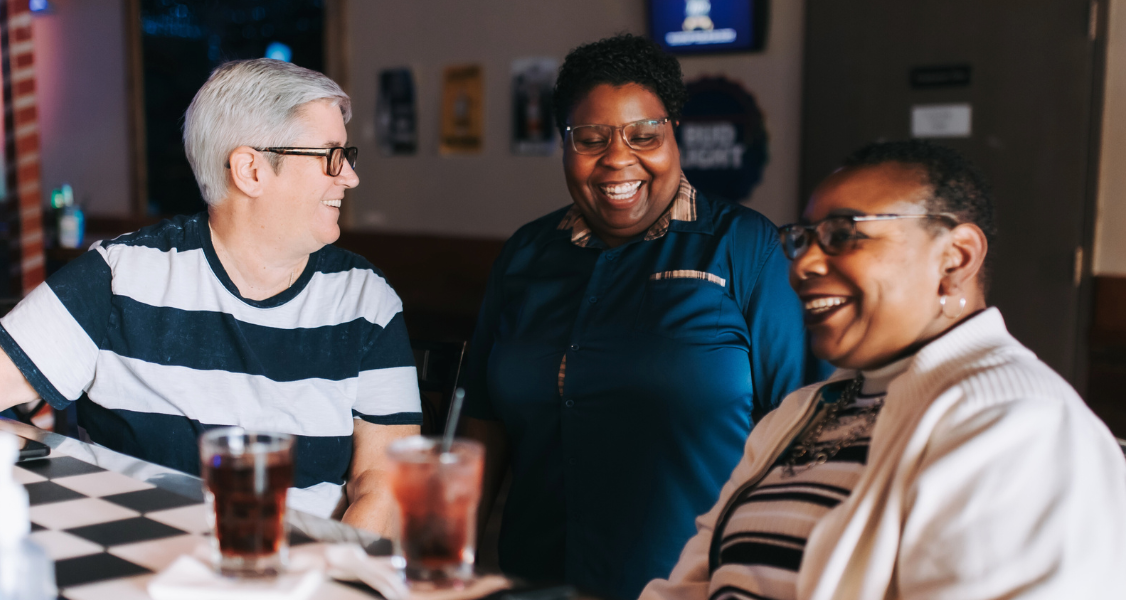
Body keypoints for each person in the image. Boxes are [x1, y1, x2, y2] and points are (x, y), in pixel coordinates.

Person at [0, 59, 421, 537]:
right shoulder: (122, 276)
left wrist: (336, 581)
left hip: (298, 573)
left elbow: (387, 484)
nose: (349, 177)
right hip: (128, 565)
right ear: (250, 170)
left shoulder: (366, 300)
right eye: (330, 156)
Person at [640, 140, 1126, 600]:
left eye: (843, 235)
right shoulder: (801, 411)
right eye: (803, 238)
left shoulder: (1020, 423)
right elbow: (690, 584)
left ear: (955, 259)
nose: (804, 263)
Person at [461, 34, 828, 600]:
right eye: (591, 138)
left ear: (673, 134)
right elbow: (483, 428)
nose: (617, 157)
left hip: (694, 584)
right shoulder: (525, 255)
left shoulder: (747, 248)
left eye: (644, 135)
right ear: (565, 144)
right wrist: (449, 564)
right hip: (536, 581)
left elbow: (805, 432)